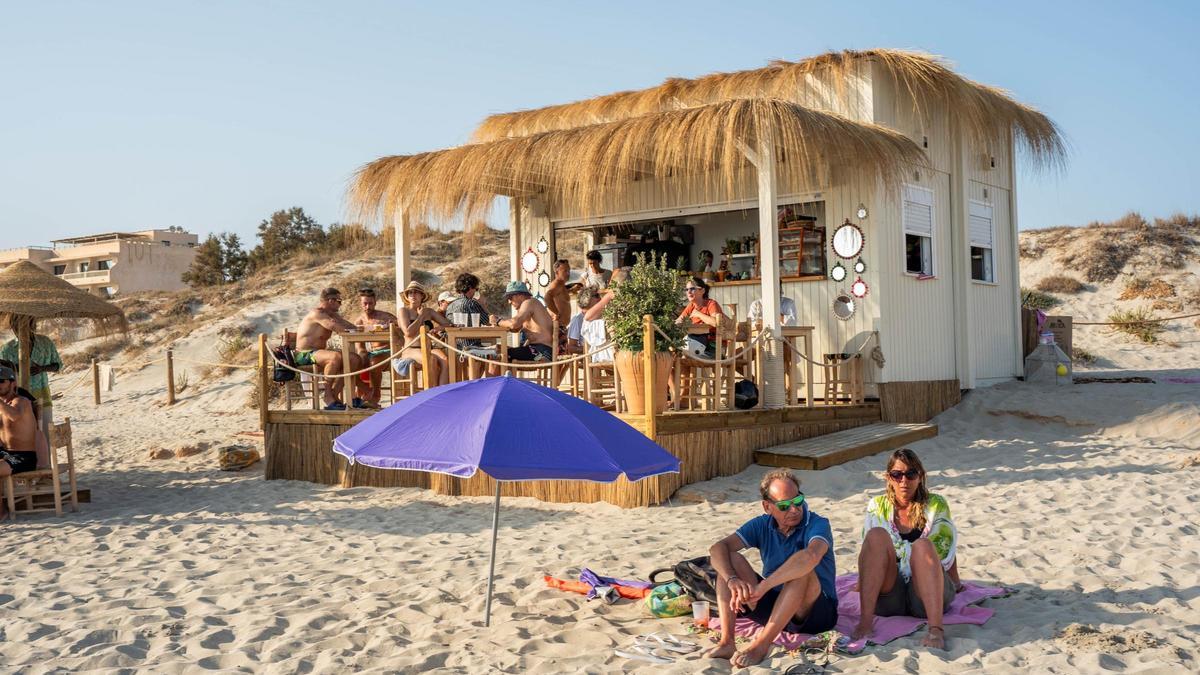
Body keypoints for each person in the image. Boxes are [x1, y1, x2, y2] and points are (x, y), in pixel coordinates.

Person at [705, 469, 839, 667]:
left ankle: (761, 645)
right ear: (767, 507)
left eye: (798, 501)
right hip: (776, 607)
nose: (794, 509)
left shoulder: (817, 523)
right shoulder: (762, 524)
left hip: (815, 613)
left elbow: (811, 556)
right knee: (729, 559)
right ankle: (727, 642)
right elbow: (717, 548)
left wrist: (764, 586)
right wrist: (732, 579)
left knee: (802, 571)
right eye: (784, 505)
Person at [853, 448, 961, 650]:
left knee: (923, 545)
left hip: (926, 594)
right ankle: (865, 623)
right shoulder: (877, 505)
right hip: (890, 596)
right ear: (888, 478)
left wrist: (955, 580)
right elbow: (870, 551)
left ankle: (935, 629)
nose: (904, 481)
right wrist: (862, 582)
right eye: (897, 474)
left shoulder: (936, 504)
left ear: (920, 476)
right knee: (876, 535)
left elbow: (944, 548)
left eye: (911, 474)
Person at [295, 287, 365, 410]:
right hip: (304, 354)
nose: (340, 304)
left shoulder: (331, 315)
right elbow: (334, 327)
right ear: (331, 300)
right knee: (334, 357)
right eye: (339, 301)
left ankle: (334, 394)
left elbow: (348, 326)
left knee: (354, 359)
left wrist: (363, 329)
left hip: (319, 354)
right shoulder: (318, 314)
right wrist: (349, 329)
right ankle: (327, 396)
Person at [0, 323, 61, 442]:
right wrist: (16, 368)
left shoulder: (45, 342)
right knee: (22, 435)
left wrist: (42, 368)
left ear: (32, 325)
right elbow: (3, 373)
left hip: (42, 395)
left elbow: (58, 365)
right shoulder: (7, 349)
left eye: (24, 325)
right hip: (18, 398)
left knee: (45, 434)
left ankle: (45, 454)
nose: (20, 330)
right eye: (16, 327)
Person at [489, 281, 556, 372]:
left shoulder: (529, 303)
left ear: (520, 295)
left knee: (496, 356)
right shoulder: (528, 306)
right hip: (537, 350)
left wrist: (497, 321)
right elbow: (515, 328)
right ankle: (504, 380)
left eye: (510, 298)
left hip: (542, 353)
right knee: (496, 350)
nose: (509, 302)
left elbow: (514, 324)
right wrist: (501, 322)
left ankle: (495, 382)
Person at [397, 281, 452, 387]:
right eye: (410, 293)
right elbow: (408, 332)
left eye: (416, 292)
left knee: (445, 360)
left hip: (428, 347)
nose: (413, 295)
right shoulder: (404, 311)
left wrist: (438, 328)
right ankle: (431, 392)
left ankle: (442, 391)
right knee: (431, 359)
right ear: (407, 296)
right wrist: (421, 316)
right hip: (411, 349)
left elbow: (448, 324)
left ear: (422, 295)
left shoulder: (429, 311)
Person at [353, 288, 398, 409]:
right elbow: (360, 347)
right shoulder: (359, 321)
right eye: (365, 303)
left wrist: (391, 326)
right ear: (360, 303)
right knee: (354, 362)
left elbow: (402, 328)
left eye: (370, 303)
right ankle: (360, 396)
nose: (368, 306)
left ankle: (375, 396)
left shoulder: (385, 317)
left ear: (375, 302)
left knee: (374, 361)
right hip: (373, 352)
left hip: (390, 351)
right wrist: (362, 355)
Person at [674, 276, 725, 359]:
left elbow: (716, 322)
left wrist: (698, 314)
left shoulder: (711, 304)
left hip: (714, 347)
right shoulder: (691, 306)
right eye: (686, 289)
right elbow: (679, 321)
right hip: (697, 344)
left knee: (685, 354)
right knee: (676, 354)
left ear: (702, 291)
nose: (689, 292)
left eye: (692, 289)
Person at [544, 259, 572, 327]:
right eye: (565, 271)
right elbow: (547, 298)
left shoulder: (561, 285)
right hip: (557, 326)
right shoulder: (556, 285)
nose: (568, 273)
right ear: (557, 272)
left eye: (569, 270)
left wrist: (571, 290)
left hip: (562, 326)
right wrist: (557, 313)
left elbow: (560, 296)